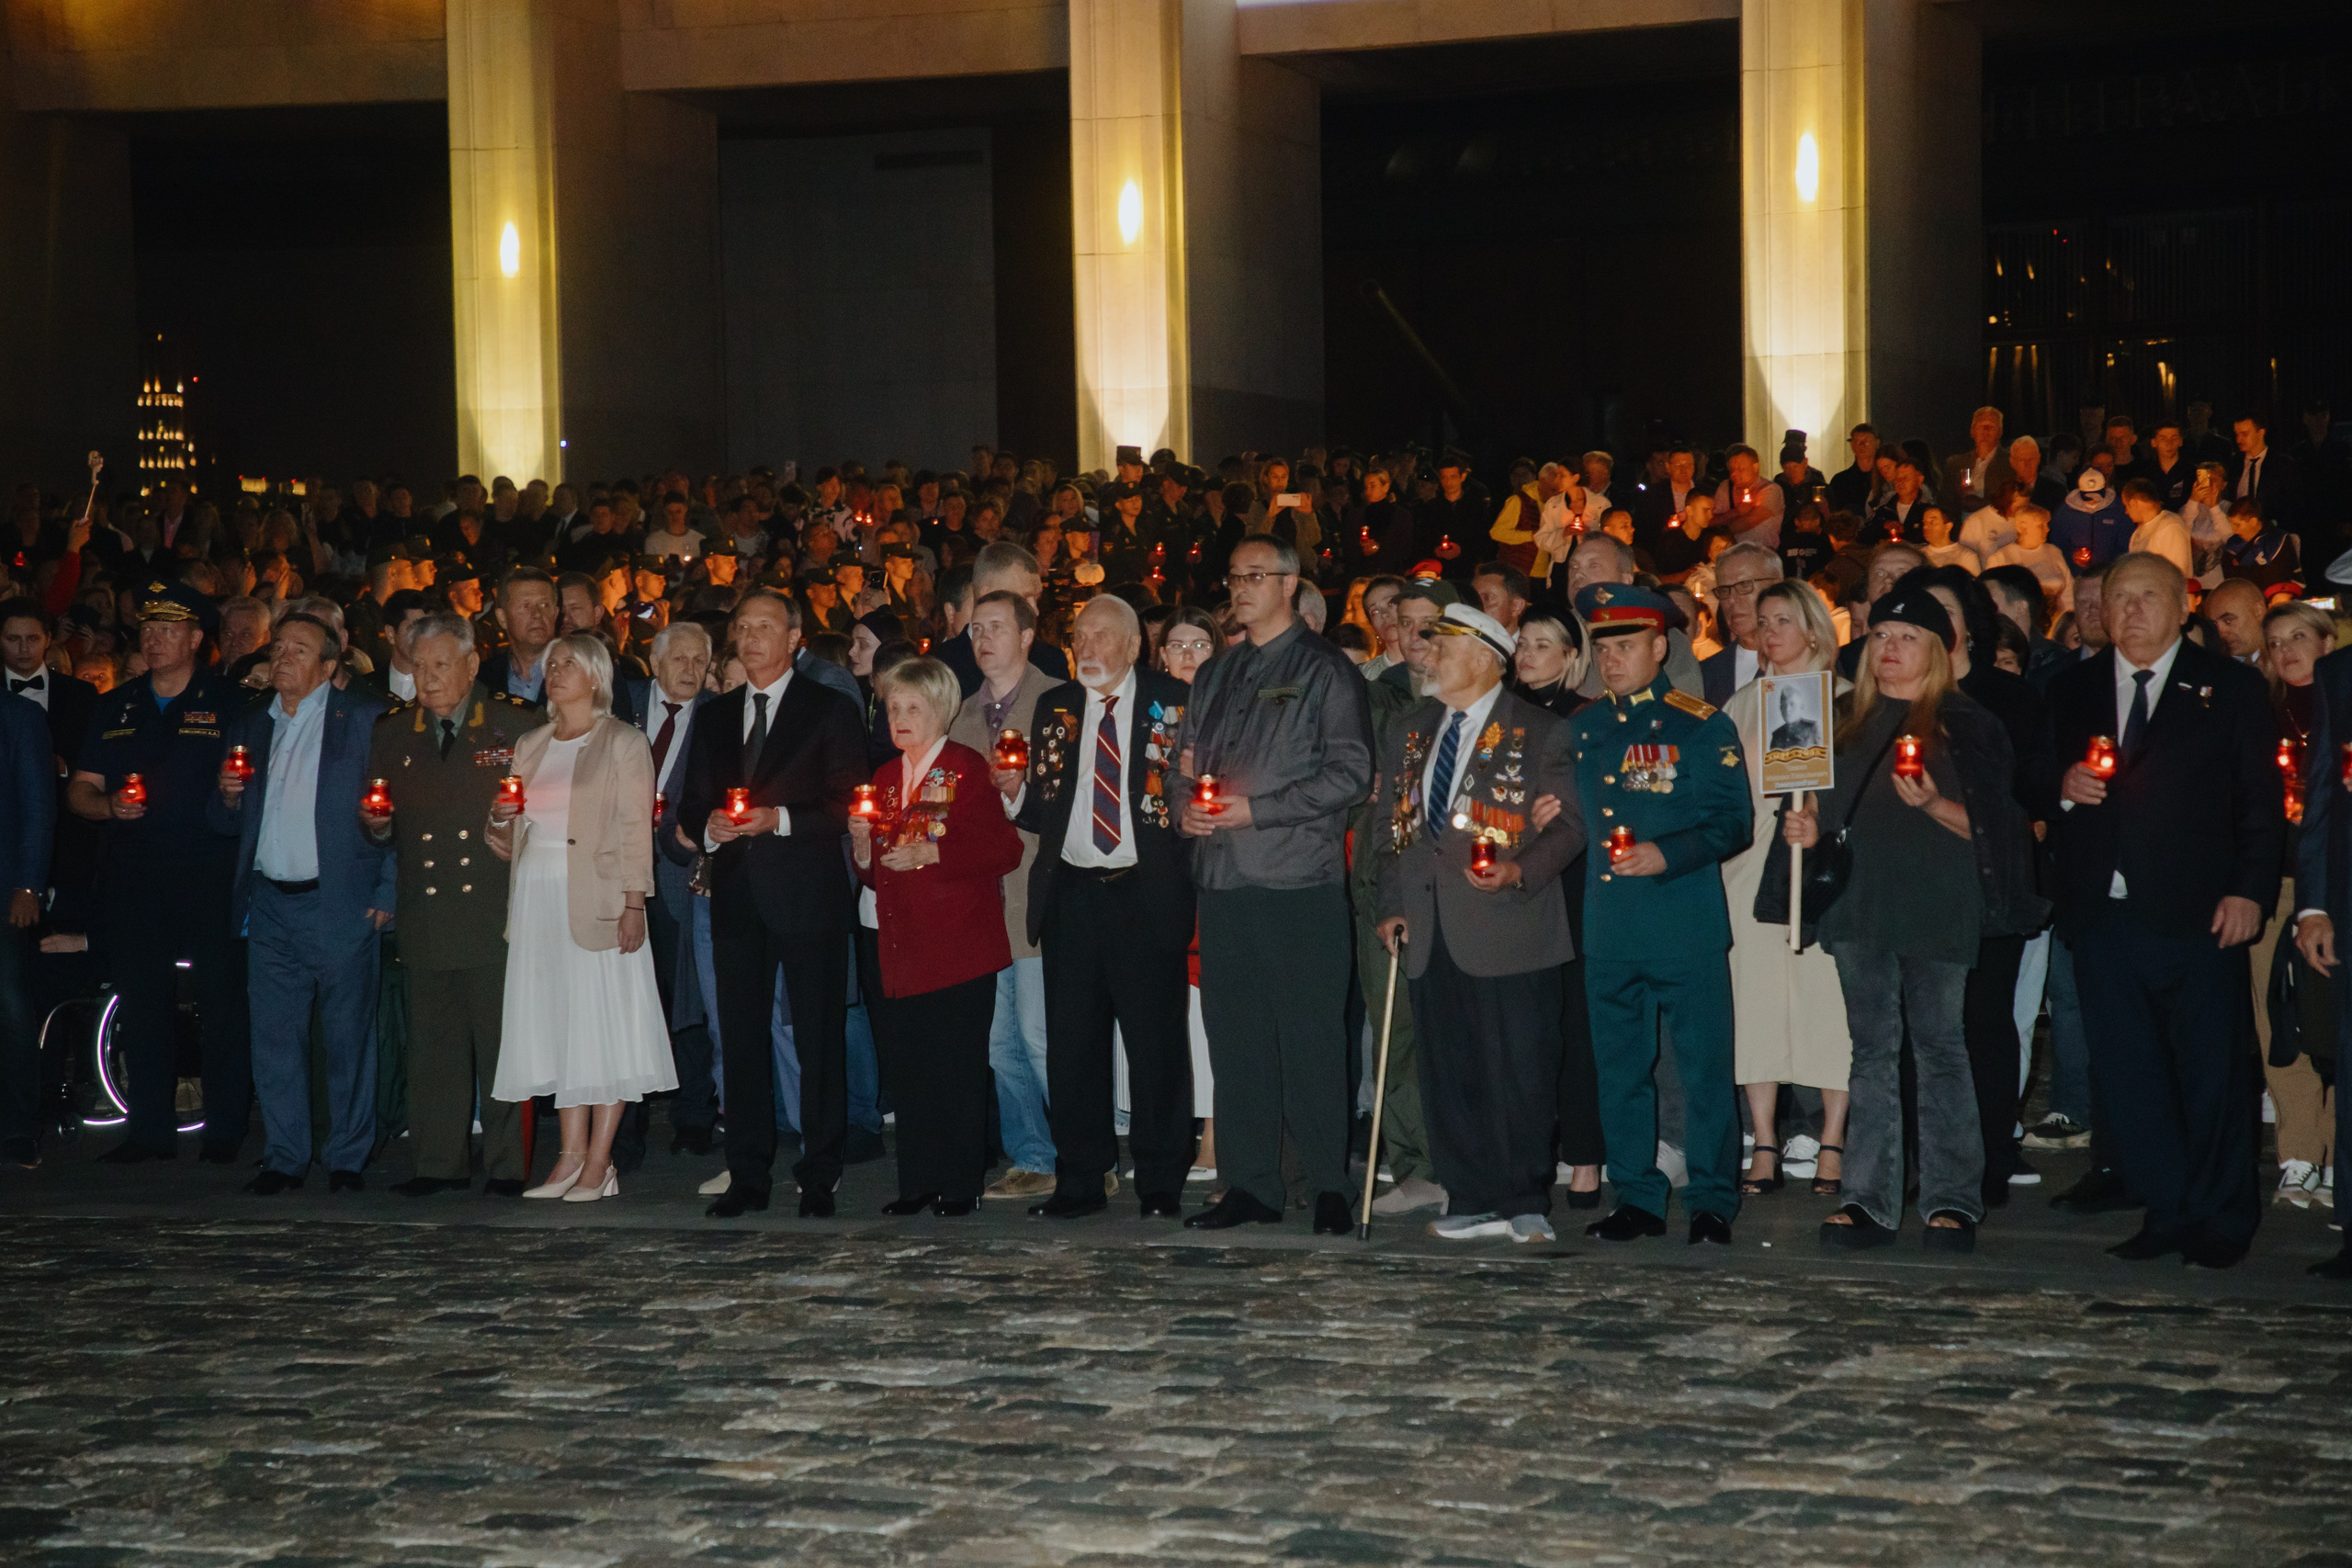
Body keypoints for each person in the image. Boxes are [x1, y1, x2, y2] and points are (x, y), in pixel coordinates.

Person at [1783, 585, 2036, 1251]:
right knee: (1870, 1051)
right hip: (1860, 905)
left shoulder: (1969, 722)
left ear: (1937, 648)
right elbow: (1825, 812)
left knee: (1940, 1046)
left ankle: (1952, 1199)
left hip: (1937, 904)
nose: (1890, 648)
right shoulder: (1840, 717)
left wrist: (1930, 804)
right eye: (1882, 635)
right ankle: (1868, 1197)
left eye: (1907, 637)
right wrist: (1807, 830)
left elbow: (1999, 830)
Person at [2052, 553, 2279, 1269]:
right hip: (2105, 915)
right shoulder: (2074, 687)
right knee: (2130, 1073)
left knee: (2211, 1072)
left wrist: (2249, 889)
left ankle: (2222, 1216)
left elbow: (2260, 803)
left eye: (2149, 596)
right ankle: (2168, 1207)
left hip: (2202, 911)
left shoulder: (2230, 687)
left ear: (2183, 607)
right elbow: (2027, 774)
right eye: (2119, 599)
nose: (2132, 611)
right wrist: (2059, 784)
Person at [1176, 534, 1374, 1234]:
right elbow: (1183, 764)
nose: (1240, 587)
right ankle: (1250, 1182)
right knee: (1237, 1040)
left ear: (1291, 583)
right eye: (1233, 576)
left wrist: (1257, 809)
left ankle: (1327, 1184)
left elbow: (1351, 774)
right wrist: (1186, 812)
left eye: (1255, 575)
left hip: (1297, 881)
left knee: (1313, 1038)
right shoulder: (1216, 673)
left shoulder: (1324, 671)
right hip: (1223, 881)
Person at [1371, 604, 1582, 1243]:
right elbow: (1390, 831)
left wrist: (1519, 871)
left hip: (1507, 923)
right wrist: (1391, 903)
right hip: (1431, 925)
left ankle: (1523, 1194)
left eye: (1443, 645)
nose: (1427, 654)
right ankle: (1468, 1191)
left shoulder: (1540, 730)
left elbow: (1570, 826)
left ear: (1487, 657)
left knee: (1518, 1065)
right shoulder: (1411, 729)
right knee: (1447, 1064)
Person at [1567, 581, 1752, 1246]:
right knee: (1620, 1070)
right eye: (1602, 646)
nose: (1611, 658)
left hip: (1683, 923)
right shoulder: (1584, 728)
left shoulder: (1700, 724)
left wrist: (1666, 854)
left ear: (1659, 644)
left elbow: (1734, 823)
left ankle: (1711, 1198)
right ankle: (1638, 1196)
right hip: (1611, 927)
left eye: (1625, 645)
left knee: (1704, 1068)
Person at [675, 591, 868, 1217]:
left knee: (817, 1037)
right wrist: (710, 827)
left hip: (807, 893)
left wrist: (778, 818)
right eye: (743, 626)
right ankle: (748, 1173)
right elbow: (689, 800)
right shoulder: (715, 715)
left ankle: (820, 1171)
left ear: (794, 637)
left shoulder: (829, 708)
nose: (752, 636)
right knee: (741, 1038)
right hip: (735, 894)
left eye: (765, 626)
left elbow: (848, 799)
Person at [1010, 595, 1196, 1218]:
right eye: (1078, 636)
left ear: (1133, 645)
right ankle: (1081, 1179)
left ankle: (1161, 1179)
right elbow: (1047, 805)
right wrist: (1015, 797)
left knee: (1155, 1044)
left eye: (1100, 636)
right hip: (1073, 892)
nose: (1086, 647)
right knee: (1072, 1046)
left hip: (1145, 891)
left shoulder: (1175, 701)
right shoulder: (1056, 707)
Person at [66, 578, 252, 1164]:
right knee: (143, 1001)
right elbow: (80, 789)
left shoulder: (231, 704)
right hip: (135, 876)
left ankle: (225, 1128)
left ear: (197, 638)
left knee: (221, 1001)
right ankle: (149, 1130)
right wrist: (107, 808)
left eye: (168, 630)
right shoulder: (115, 704)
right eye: (147, 630)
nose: (154, 640)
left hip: (208, 873)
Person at [209, 612, 394, 1194]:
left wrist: (387, 891)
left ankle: (347, 1157)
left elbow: (397, 813)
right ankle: (285, 1156)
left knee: (346, 1038)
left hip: (339, 901)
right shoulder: (249, 724)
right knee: (274, 1037)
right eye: (279, 647)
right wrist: (226, 797)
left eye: (299, 649)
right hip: (268, 903)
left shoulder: (363, 721)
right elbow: (219, 823)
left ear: (329, 667)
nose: (283, 658)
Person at [487, 634, 674, 1203]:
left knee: (604, 1023)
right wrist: (498, 819)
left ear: (595, 676)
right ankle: (568, 1156)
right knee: (560, 1022)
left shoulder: (623, 741)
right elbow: (508, 838)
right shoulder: (532, 742)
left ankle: (600, 1159)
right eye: (552, 664)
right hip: (538, 896)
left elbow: (633, 829)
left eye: (570, 663)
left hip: (597, 895)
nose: (557, 671)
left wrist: (634, 903)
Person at [361, 613, 537, 1197]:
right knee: (433, 1048)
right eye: (419, 666)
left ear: (470, 664)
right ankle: (438, 1163)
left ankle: (509, 1164)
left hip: (494, 909)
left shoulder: (514, 724)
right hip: (427, 911)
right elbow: (383, 823)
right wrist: (376, 826)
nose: (428, 678)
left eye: (441, 665)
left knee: (502, 1044)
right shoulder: (393, 732)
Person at [850, 656, 1021, 1214]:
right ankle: (917, 1183)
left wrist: (936, 852)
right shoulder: (884, 780)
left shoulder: (965, 768)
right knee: (910, 1071)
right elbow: (877, 870)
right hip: (900, 949)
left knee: (956, 1070)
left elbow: (1005, 850)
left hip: (958, 949)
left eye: (912, 707)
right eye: (893, 707)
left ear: (941, 710)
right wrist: (859, 846)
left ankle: (960, 1183)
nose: (899, 717)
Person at [1722, 582, 1850, 1201]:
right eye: (1764, 620)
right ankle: (1765, 1138)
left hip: (1822, 870)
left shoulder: (1847, 702)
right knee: (1758, 1001)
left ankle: (1832, 1137)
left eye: (1785, 619)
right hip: (1751, 866)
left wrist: (1821, 822)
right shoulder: (1742, 704)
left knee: (1828, 1002)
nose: (1771, 631)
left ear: (1813, 627)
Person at [949, 590, 1062, 1202]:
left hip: (1035, 894)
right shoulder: (962, 714)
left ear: (1026, 635)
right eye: (975, 628)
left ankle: (1082, 1148)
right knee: (998, 1041)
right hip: (979, 904)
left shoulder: (1056, 702)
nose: (984, 638)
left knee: (1042, 1033)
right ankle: (1031, 1153)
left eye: (997, 627)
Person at [621, 620, 717, 1162]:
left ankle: (694, 1118)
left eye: (699, 661)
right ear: (654, 663)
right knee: (630, 1001)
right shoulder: (622, 706)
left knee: (691, 1002)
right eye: (678, 659)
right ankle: (626, 1125)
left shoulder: (715, 716)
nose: (689, 670)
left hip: (682, 880)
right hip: (620, 880)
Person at [2256, 601, 2335, 1210]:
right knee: (2276, 1018)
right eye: (2276, 640)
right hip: (2273, 879)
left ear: (2329, 642)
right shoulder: (2259, 713)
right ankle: (2299, 1152)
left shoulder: (2343, 707)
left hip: (2338, 885)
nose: (2287, 650)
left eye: (2299, 636)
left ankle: (2339, 1152)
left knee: (2336, 1018)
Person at [0, 683, 53, 1169]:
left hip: (4, 889)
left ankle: (18, 1128)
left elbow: (38, 806)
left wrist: (29, 885)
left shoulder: (19, 716)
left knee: (10, 1005)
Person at [1696, 543, 1782, 706]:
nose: (1731, 600)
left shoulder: (1805, 663)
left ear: (1777, 587)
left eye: (1744, 586)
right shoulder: (1706, 674)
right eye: (1724, 590)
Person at [480, 567, 560, 702]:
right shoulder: (484, 679)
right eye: (525, 606)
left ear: (555, 613)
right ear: (502, 618)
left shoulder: (581, 673)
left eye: (544, 605)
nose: (536, 615)